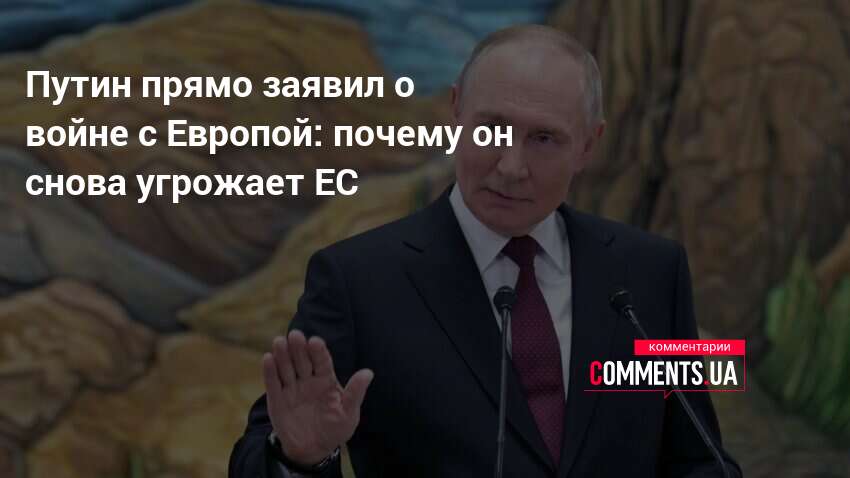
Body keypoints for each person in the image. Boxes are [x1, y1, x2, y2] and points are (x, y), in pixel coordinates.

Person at [229, 24, 742, 477]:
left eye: (544, 139)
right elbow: (258, 458)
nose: (511, 166)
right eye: (492, 129)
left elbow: (698, 459)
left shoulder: (651, 273)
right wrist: (300, 457)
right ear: (456, 112)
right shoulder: (358, 281)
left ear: (589, 144)